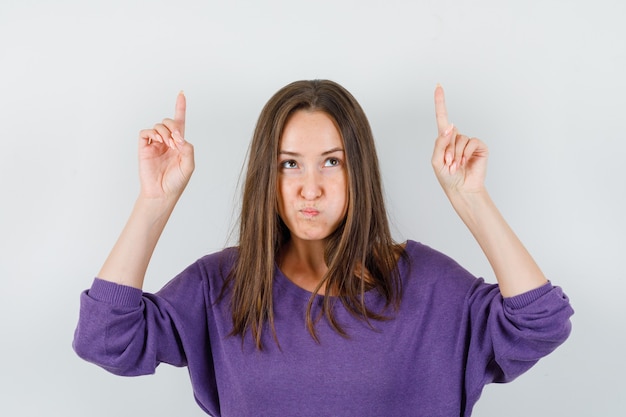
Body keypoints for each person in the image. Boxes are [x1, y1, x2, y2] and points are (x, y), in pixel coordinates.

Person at [73, 80, 573, 417]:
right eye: (289, 164)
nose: (309, 188)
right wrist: (154, 201)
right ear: (266, 177)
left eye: (331, 162)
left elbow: (541, 322)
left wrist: (471, 198)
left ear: (360, 171)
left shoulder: (427, 285)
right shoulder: (222, 285)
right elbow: (104, 338)